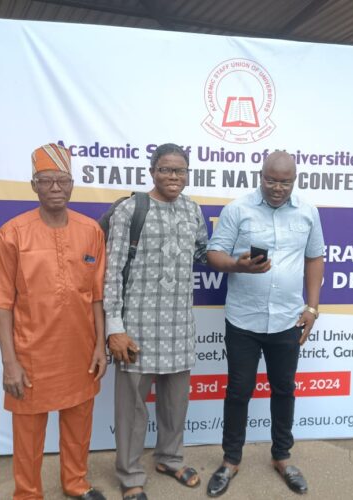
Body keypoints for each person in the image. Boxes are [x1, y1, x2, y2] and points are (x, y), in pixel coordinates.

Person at [0, 143, 107, 500]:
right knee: (28, 432)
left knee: (79, 423)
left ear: (72, 184)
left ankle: (76, 483)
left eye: (62, 180)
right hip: (31, 353)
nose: (55, 188)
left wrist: (100, 345)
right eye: (46, 181)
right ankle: (28, 493)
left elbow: (97, 294)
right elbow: (0, 302)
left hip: (80, 350)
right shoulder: (13, 233)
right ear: (34, 185)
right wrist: (10, 363)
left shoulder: (91, 231)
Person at [205, 150, 325, 496]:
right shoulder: (238, 209)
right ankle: (230, 460)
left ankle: (282, 457)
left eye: (285, 182)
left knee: (284, 389)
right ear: (260, 176)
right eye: (271, 180)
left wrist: (312, 308)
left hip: (288, 319)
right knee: (238, 391)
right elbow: (214, 254)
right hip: (244, 320)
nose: (277, 187)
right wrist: (237, 265)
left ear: (295, 180)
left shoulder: (307, 212)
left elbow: (314, 257)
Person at [103, 143, 208, 500]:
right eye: (166, 169)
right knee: (131, 410)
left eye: (180, 171)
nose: (173, 176)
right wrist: (114, 328)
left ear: (187, 174)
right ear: (152, 171)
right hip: (137, 328)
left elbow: (202, 253)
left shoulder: (193, 210)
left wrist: (238, 258)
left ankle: (169, 458)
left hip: (179, 327)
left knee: (175, 404)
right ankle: (130, 474)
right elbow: (112, 271)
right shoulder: (131, 210)